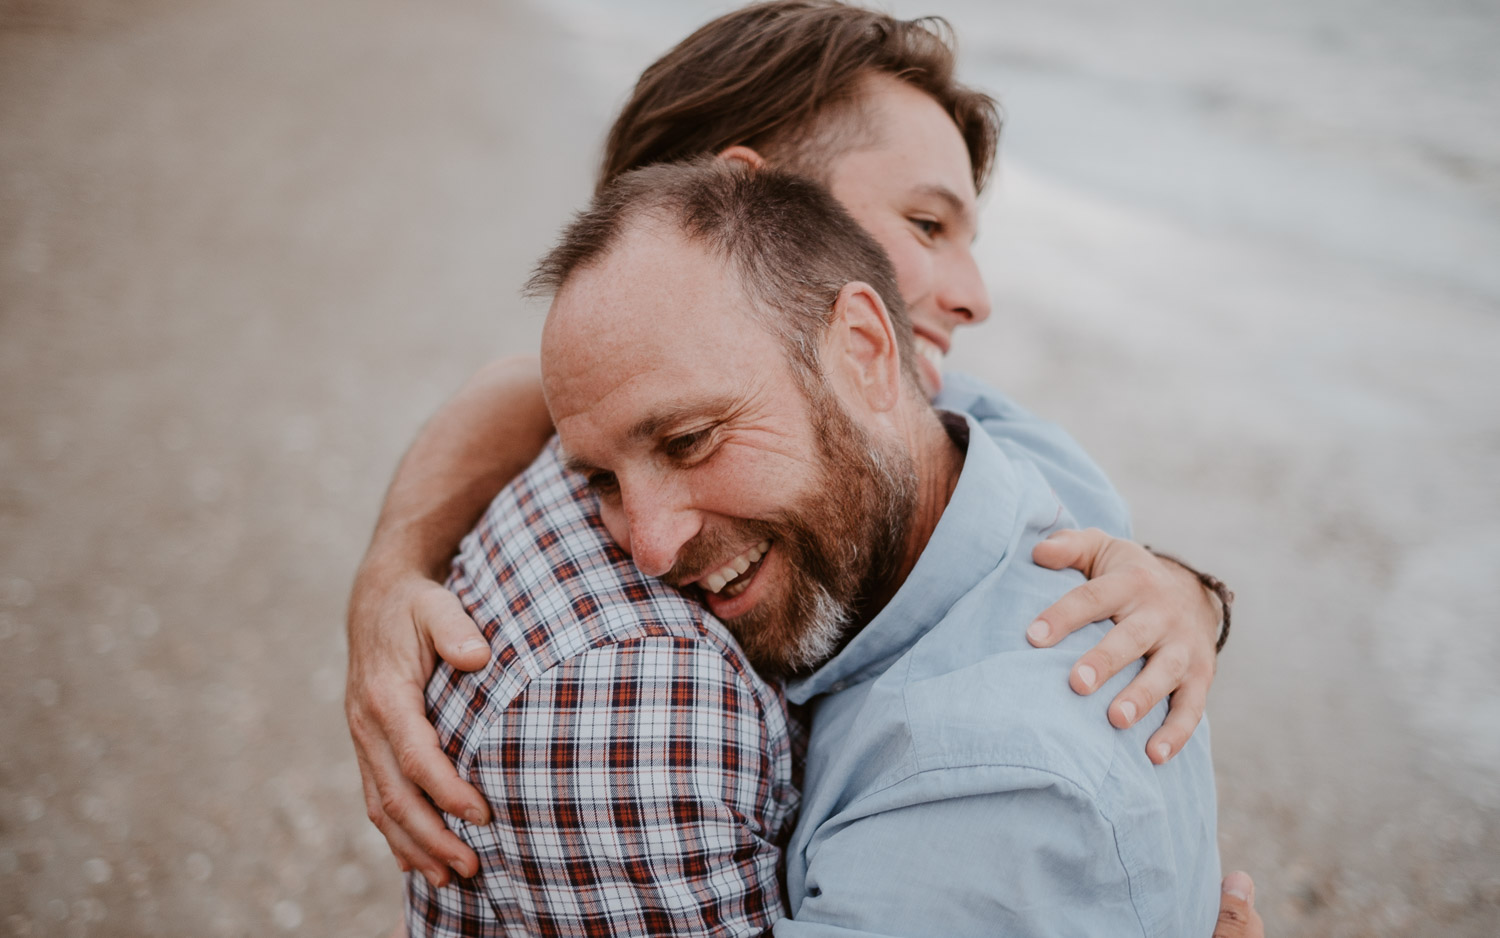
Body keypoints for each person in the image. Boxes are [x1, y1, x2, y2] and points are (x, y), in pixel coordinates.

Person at [346, 1, 1233, 895]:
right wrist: (391, 573)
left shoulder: (980, 454)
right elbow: (520, 390)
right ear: (750, 195)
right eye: (927, 224)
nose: (974, 295)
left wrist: (1196, 597)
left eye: (689, 441)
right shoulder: (636, 636)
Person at [528, 157, 1219, 933]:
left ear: (864, 353)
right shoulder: (979, 436)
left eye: (690, 441)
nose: (650, 547)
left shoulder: (989, 799)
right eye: (603, 483)